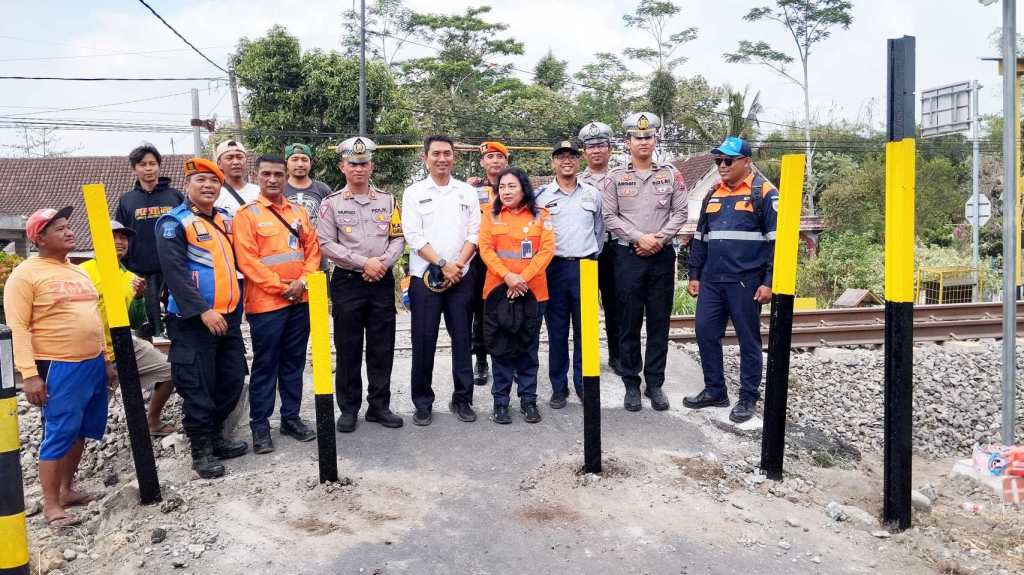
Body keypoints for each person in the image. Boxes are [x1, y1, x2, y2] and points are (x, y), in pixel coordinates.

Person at [3, 207, 114, 527]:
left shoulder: (77, 270)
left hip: (91, 363)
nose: (69, 232)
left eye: (69, 226)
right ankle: (51, 504)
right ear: (39, 238)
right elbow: (19, 328)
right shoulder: (25, 274)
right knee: (60, 432)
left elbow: (94, 318)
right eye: (59, 229)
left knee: (81, 430)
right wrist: (30, 375)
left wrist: (105, 359)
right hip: (58, 365)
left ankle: (67, 490)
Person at [156, 158, 249, 479]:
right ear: (188, 186)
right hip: (193, 322)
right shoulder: (174, 223)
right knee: (198, 387)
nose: (208, 186)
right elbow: (176, 274)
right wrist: (203, 310)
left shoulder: (224, 220)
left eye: (214, 182)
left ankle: (217, 437)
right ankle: (201, 451)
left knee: (233, 379)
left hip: (229, 318)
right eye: (200, 181)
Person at [684, 136, 778, 423]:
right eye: (718, 161)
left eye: (728, 160)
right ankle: (715, 390)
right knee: (704, 332)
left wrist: (769, 281)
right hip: (712, 281)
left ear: (746, 162)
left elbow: (777, 242)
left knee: (748, 340)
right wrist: (695, 274)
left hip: (746, 282)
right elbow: (700, 238)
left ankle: (748, 398)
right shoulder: (713, 194)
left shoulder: (765, 194)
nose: (722, 166)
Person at [233, 155, 321, 453]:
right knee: (265, 365)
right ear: (256, 176)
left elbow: (313, 250)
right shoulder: (247, 215)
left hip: (301, 300)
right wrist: (283, 287)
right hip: (267, 304)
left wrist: (304, 282)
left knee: (294, 363)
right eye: (267, 174)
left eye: (278, 174)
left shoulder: (299, 212)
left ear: (285, 177)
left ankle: (291, 418)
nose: (273, 179)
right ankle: (260, 426)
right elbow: (247, 260)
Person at [317, 137, 405, 432]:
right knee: (348, 347)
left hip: (380, 280)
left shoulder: (388, 200)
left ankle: (379, 407)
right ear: (342, 166)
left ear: (372, 166)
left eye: (364, 163)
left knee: (382, 346)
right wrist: (362, 262)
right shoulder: (330, 204)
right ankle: (349, 408)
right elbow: (325, 242)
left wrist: (382, 263)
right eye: (353, 163)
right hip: (348, 281)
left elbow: (398, 238)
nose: (359, 168)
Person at [601, 112, 687, 412]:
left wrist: (659, 240)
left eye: (648, 136)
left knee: (659, 322)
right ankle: (631, 384)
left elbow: (680, 213)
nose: (643, 142)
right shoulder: (614, 178)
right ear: (627, 143)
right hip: (627, 256)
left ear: (655, 140)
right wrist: (640, 238)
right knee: (628, 321)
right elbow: (609, 217)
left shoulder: (671, 174)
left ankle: (655, 383)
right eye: (637, 138)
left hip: (661, 257)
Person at [401, 134, 481, 426]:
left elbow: (475, 233)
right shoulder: (413, 193)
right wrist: (444, 264)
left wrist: (457, 265)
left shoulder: (466, 193)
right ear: (425, 158)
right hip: (425, 278)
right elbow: (413, 235)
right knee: (424, 342)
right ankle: (422, 402)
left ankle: (463, 399)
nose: (442, 159)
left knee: (462, 340)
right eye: (436, 154)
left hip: (462, 276)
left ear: (454, 157)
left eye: (447, 153)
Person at [80, 220, 177, 437]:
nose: (119, 242)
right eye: (112, 237)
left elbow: (134, 321)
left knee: (170, 372)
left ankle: (152, 420)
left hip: (121, 343)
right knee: (85, 415)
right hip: (89, 351)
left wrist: (140, 297)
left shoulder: (129, 277)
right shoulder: (83, 272)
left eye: (123, 238)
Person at [478, 167, 555, 424]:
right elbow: (486, 250)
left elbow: (547, 251)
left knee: (528, 350)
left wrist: (522, 278)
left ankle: (528, 401)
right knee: (500, 350)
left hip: (533, 294)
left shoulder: (541, 216)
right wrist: (508, 277)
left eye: (512, 186)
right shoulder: (491, 215)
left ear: (524, 188)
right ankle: (500, 403)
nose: (506, 191)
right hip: (498, 293)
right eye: (502, 187)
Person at [534, 139, 604, 409]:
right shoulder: (541, 196)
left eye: (572, 156)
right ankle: (559, 387)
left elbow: (599, 232)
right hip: (554, 268)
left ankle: (584, 384)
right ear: (553, 162)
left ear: (579, 161)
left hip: (586, 266)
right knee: (557, 331)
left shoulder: (592, 194)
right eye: (561, 156)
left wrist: (589, 256)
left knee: (586, 333)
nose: (567, 161)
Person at [115, 143, 184, 339]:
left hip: (173, 267)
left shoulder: (175, 196)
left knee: (177, 318)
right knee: (146, 324)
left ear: (159, 166)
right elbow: (120, 234)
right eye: (143, 164)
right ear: (134, 168)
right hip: (140, 270)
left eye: (152, 164)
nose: (148, 168)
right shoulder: (127, 200)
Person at [577, 121, 624, 376]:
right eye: (590, 147)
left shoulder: (622, 177)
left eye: (601, 146)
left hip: (614, 249)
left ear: (609, 149)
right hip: (586, 251)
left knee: (615, 306)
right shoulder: (576, 180)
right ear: (584, 151)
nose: (596, 151)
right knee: (585, 308)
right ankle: (588, 357)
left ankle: (616, 356)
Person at [467, 141, 509, 386]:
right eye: (489, 157)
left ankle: (505, 360)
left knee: (508, 310)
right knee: (480, 313)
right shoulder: (472, 190)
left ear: (506, 161)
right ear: (483, 162)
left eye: (499, 157)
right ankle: (481, 360)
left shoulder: (514, 186)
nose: (494, 161)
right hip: (480, 261)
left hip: (508, 258)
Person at [214, 139, 260, 216]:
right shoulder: (215, 195)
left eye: (240, 157)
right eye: (229, 158)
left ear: (246, 161)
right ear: (219, 164)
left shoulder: (259, 191)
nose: (236, 162)